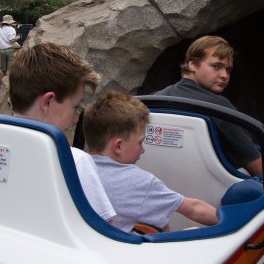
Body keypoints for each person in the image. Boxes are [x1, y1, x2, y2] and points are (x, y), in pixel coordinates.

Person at [8, 42, 116, 224]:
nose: (76, 119)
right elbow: (105, 231)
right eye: (75, 107)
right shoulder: (74, 161)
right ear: (48, 102)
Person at [83, 90, 218, 233]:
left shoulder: (76, 167)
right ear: (119, 146)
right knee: (192, 230)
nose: (142, 150)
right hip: (122, 252)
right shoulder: (138, 181)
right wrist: (229, 221)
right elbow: (193, 209)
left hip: (88, 247)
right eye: (140, 142)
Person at [153, 35, 263, 176]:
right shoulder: (219, 108)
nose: (224, 75)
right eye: (216, 66)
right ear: (192, 64)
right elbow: (260, 169)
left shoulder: (153, 100)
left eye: (228, 70)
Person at [0, 15, 20, 114]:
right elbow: (11, 40)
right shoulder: (11, 29)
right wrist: (17, 37)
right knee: (10, 70)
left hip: (2, 51)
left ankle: (1, 88)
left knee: (2, 70)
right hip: (9, 50)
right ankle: (8, 89)